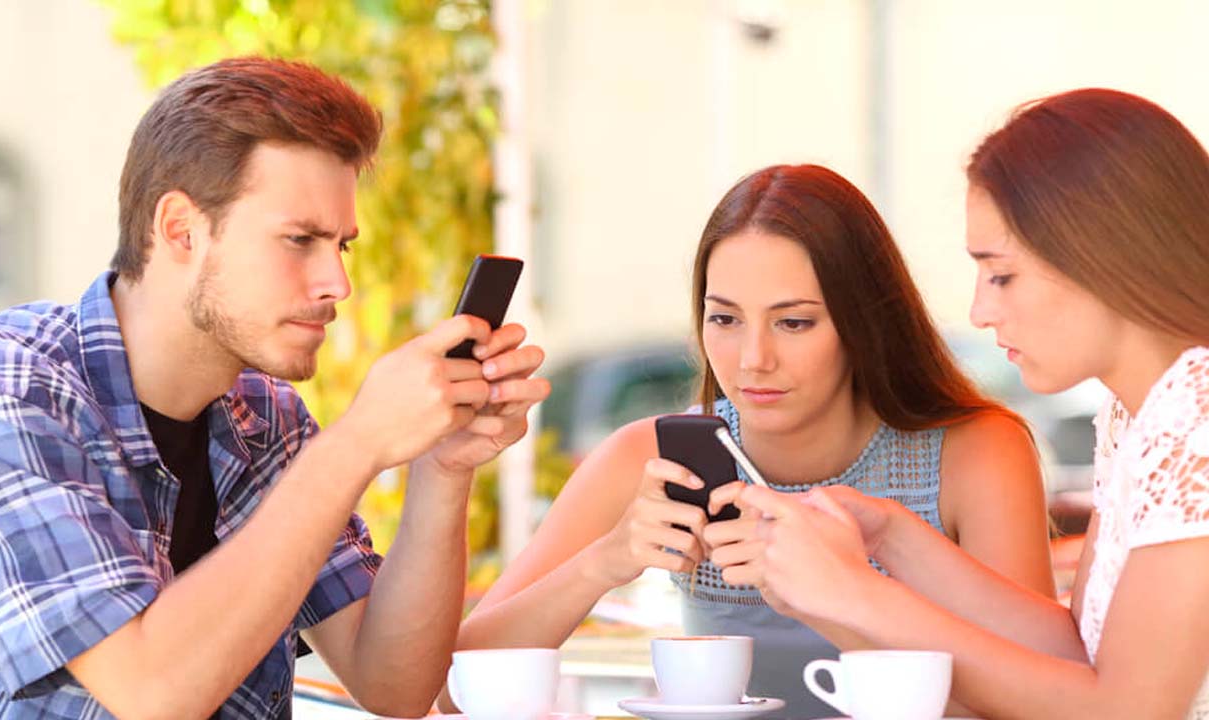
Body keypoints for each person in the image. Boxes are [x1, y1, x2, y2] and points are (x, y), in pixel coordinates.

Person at [0, 57, 549, 720]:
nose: (336, 284)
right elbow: (152, 692)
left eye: (342, 246)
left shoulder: (268, 418)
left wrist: (441, 467)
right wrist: (356, 444)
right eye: (300, 240)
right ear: (180, 230)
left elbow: (394, 685)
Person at [449, 163, 1054, 718]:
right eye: (725, 319)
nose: (753, 360)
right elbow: (454, 692)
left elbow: (1039, 701)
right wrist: (603, 563)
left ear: (864, 321)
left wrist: (828, 593)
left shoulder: (974, 454)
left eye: (793, 322)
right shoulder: (650, 457)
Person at [709, 88, 1209, 719]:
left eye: (1001, 275)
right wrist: (892, 537)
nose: (979, 310)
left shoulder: (1197, 421)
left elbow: (1127, 711)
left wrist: (856, 593)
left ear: (1108, 254)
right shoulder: (1141, 415)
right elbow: (1074, 655)